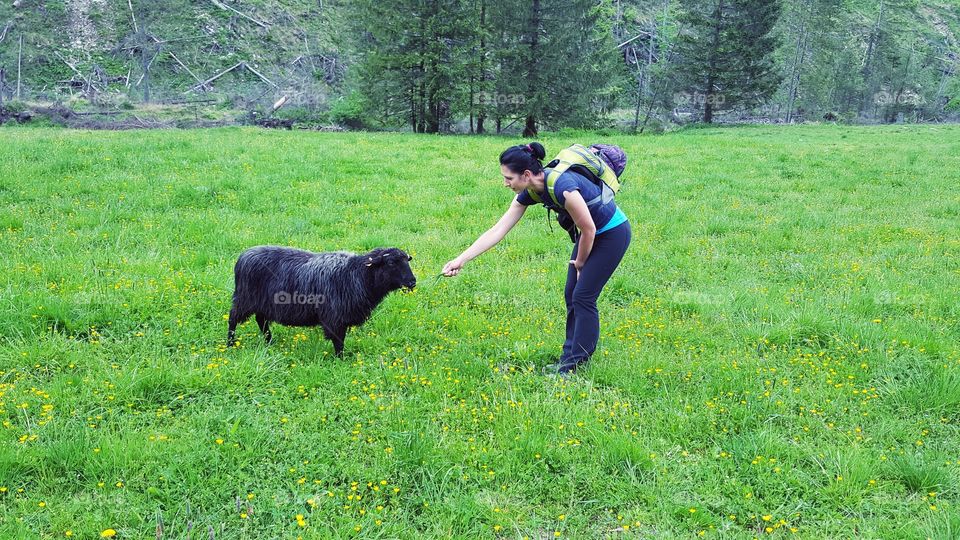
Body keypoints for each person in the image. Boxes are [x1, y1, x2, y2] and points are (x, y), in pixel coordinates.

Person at [442, 142, 631, 375]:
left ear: (527, 174)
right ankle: (569, 357)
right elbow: (498, 230)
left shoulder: (564, 187)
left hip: (611, 234)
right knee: (571, 295)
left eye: (509, 178)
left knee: (583, 297)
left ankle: (573, 367)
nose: (505, 183)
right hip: (590, 235)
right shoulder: (531, 191)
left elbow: (589, 228)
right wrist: (461, 259)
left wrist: (580, 263)